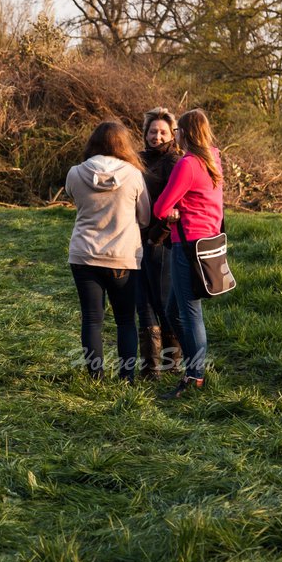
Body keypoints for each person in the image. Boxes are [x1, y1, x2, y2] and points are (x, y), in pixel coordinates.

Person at [65, 120, 150, 383]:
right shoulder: (134, 175)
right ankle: (127, 376)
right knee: (125, 320)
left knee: (92, 319)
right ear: (124, 144)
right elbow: (145, 217)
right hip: (122, 257)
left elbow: (74, 198)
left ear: (93, 143)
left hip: (84, 255)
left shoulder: (75, 173)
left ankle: (96, 377)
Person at [153, 108, 224, 399]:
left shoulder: (189, 164)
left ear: (186, 133)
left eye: (177, 130)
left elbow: (159, 208)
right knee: (173, 311)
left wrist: (173, 212)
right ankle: (195, 364)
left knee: (190, 312)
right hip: (209, 242)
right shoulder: (214, 158)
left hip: (189, 245)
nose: (175, 135)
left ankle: (195, 375)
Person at [137, 107, 183, 378]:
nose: (157, 136)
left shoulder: (174, 162)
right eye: (152, 131)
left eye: (162, 132)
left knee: (163, 301)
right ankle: (151, 368)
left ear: (172, 134)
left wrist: (158, 234)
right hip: (136, 238)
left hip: (162, 242)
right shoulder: (137, 160)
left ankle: (172, 364)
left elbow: (175, 205)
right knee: (142, 302)